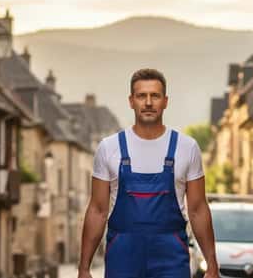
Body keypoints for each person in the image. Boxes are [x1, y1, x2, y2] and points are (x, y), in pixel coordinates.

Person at [77, 69, 219, 278]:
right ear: (131, 101)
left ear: (165, 101)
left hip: (171, 258)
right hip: (122, 258)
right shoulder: (109, 148)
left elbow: (198, 209)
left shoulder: (186, 147)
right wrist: (83, 268)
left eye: (155, 95)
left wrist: (212, 265)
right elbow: (98, 210)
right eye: (141, 96)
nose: (149, 102)